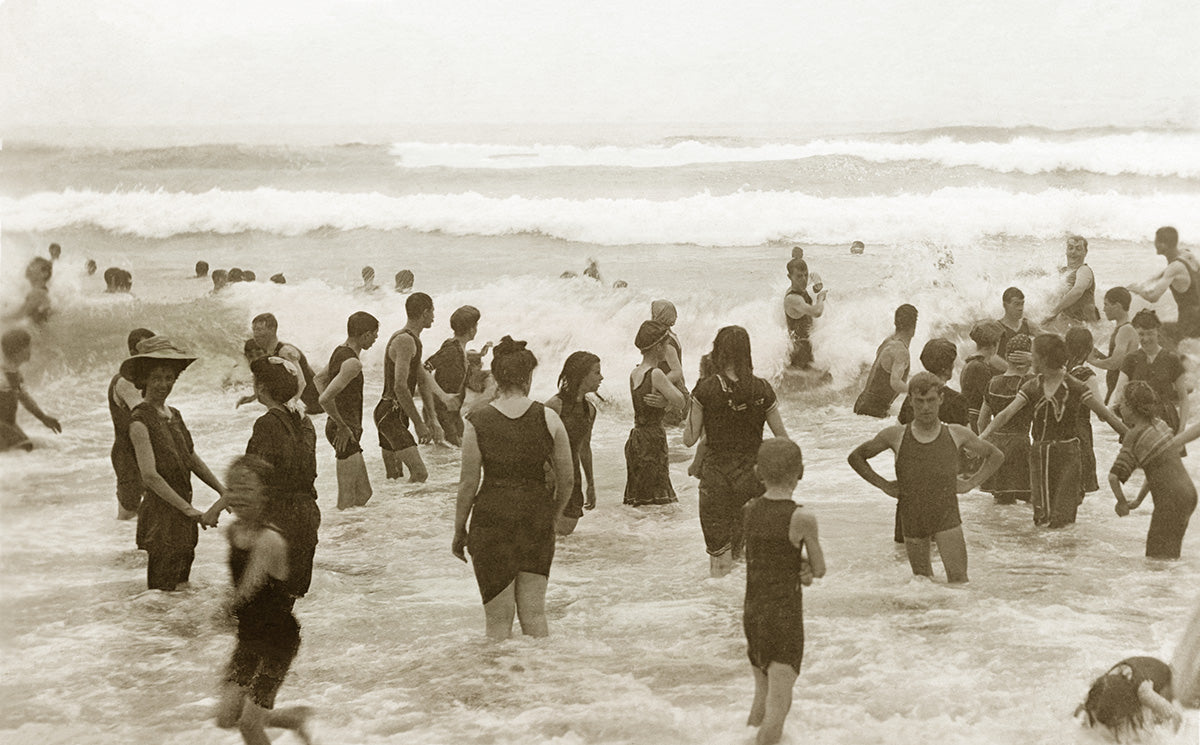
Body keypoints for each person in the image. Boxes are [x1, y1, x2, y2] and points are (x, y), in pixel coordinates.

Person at [451, 337, 573, 641]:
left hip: (492, 518)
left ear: (497, 378)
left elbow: (468, 483)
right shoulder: (549, 417)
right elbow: (567, 479)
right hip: (535, 516)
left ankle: (500, 686)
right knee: (534, 614)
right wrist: (552, 515)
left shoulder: (477, 421)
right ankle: (541, 684)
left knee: (497, 623)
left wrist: (459, 529)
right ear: (527, 377)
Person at [849, 372, 1003, 583]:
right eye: (919, 401)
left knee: (959, 580)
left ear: (940, 399)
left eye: (931, 400)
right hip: (912, 518)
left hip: (946, 515)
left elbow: (995, 455)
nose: (925, 407)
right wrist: (884, 485)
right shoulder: (896, 435)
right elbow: (856, 457)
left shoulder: (956, 433)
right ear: (910, 400)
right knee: (923, 584)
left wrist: (970, 483)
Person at [215, 455, 314, 745]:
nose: (238, 496)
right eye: (233, 489)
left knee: (248, 725)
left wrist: (221, 611)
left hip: (277, 641)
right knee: (226, 717)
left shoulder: (270, 540)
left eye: (248, 490)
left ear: (265, 495)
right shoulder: (234, 532)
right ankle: (292, 719)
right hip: (250, 637)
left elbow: (248, 587)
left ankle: (267, 720)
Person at [980, 334, 1126, 528]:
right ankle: (1047, 557)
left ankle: (1061, 555)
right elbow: (1005, 415)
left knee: (1063, 518)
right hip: (1039, 456)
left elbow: (1106, 415)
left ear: (1043, 358)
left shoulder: (1075, 387)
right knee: (1041, 519)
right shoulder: (1032, 386)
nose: (1030, 359)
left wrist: (1133, 437)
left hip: (1068, 456)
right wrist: (981, 438)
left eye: (1033, 355)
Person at [684, 326, 788, 577]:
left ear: (718, 352)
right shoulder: (762, 389)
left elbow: (689, 439)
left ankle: (719, 612)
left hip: (716, 479)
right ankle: (741, 610)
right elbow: (783, 440)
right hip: (752, 479)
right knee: (746, 557)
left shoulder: (705, 389)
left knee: (720, 558)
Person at [124, 336, 224, 590]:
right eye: (157, 377)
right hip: (161, 517)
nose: (163, 384)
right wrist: (188, 510)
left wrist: (222, 490)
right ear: (143, 379)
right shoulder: (139, 420)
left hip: (182, 515)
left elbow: (191, 458)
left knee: (180, 591)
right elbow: (150, 476)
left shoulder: (175, 415)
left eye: (169, 378)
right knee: (160, 593)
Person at [742, 438, 825, 745]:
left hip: (753, 613)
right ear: (800, 472)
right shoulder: (802, 517)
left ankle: (746, 738)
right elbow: (818, 569)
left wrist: (796, 562)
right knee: (780, 705)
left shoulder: (749, 509)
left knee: (761, 697)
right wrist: (804, 564)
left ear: (756, 472)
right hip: (784, 617)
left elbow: (768, 552)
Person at [245, 356, 321, 597]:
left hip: (279, 518)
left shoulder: (265, 424)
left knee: (267, 598)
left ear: (262, 388)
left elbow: (252, 475)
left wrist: (218, 507)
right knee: (292, 596)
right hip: (307, 515)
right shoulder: (305, 421)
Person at [375, 292, 457, 481]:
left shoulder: (413, 340)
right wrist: (419, 424)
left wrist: (435, 417)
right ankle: (409, 510)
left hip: (393, 414)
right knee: (420, 473)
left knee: (395, 478)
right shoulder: (405, 340)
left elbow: (423, 379)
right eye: (433, 312)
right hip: (390, 415)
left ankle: (391, 511)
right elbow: (400, 387)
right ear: (425, 312)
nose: (434, 318)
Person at [1109, 382, 1196, 559]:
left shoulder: (1133, 436)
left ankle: (1160, 587)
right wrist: (1139, 501)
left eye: (1123, 404)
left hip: (1170, 500)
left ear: (1132, 408)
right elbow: (1156, 469)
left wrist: (1122, 502)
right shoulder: (1160, 425)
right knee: (1169, 555)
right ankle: (1172, 586)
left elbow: (1113, 477)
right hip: (1188, 495)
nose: (1120, 408)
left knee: (1156, 558)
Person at [315, 312, 378, 510]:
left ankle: (352, 537)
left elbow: (319, 379)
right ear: (365, 335)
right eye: (375, 335)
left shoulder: (339, 351)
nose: (376, 339)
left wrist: (336, 415)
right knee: (346, 500)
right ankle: (341, 535)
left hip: (343, 428)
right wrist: (340, 424)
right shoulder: (353, 363)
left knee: (364, 493)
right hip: (344, 431)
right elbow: (324, 398)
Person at [624, 321, 687, 507]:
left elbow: (643, 405)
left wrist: (663, 403)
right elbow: (681, 401)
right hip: (653, 439)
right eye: (666, 345)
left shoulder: (635, 373)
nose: (667, 349)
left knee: (640, 497)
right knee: (658, 500)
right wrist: (667, 403)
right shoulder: (656, 374)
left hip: (637, 438)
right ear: (658, 347)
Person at [546, 352, 602, 535]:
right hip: (548, 478)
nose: (601, 377)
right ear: (582, 375)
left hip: (573, 477)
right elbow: (533, 443)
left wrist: (591, 484)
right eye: (596, 372)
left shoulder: (590, 410)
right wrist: (547, 472)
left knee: (564, 536)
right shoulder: (554, 406)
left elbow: (584, 448)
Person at [977, 333, 1035, 504]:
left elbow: (982, 421)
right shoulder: (1029, 382)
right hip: (1020, 447)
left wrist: (986, 445)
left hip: (996, 447)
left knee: (1002, 504)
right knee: (1030, 502)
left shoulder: (993, 382)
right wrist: (1033, 362)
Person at [1112, 310, 1188, 439]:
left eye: (1150, 333)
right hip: (1137, 421)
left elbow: (1183, 399)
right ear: (1136, 333)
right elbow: (1120, 392)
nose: (1146, 338)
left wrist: (1181, 432)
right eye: (1141, 334)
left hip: (1167, 423)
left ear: (1158, 332)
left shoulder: (1172, 359)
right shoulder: (1130, 359)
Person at [236, 313, 323, 415]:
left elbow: (302, 382)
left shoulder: (285, 351)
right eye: (254, 330)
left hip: (322, 404)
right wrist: (253, 397)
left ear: (272, 329)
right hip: (309, 407)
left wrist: (294, 401)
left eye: (259, 330)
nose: (256, 334)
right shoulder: (268, 353)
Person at [109, 328, 155, 521]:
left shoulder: (143, 379)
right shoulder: (125, 382)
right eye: (147, 349)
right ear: (133, 353)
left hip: (140, 449)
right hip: (127, 453)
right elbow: (145, 413)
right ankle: (123, 549)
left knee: (150, 507)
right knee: (128, 513)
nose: (153, 355)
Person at [424, 305, 484, 447]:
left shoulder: (457, 347)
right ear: (471, 329)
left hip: (452, 414)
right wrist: (443, 396)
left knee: (457, 455)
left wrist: (479, 354)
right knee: (453, 454)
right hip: (441, 414)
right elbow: (424, 368)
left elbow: (461, 356)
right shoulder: (451, 349)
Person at [1077, 656, 1182, 738]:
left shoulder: (1144, 686)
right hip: (1120, 686)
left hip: (1162, 679)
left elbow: (1171, 713)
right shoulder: (1097, 689)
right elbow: (1145, 694)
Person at [1129, 226, 1200, 344]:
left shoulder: (1174, 268)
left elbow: (1153, 297)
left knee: (1158, 333)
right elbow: (1170, 270)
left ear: (1163, 245)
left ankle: (1179, 361)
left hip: (1190, 320)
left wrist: (1138, 290)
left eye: (1156, 241)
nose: (1154, 244)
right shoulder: (1187, 255)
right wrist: (1151, 280)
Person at [0, 329, 62, 452]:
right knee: (24, 448)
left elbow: (24, 398)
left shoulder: (13, 373)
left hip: (8, 424)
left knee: (37, 448)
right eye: (28, 347)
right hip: (3, 426)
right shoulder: (2, 376)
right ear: (18, 351)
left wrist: (43, 418)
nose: (30, 351)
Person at [853, 304, 917, 418]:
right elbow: (895, 383)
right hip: (874, 411)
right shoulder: (901, 351)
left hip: (862, 404)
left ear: (896, 323)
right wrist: (917, 390)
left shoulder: (888, 341)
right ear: (914, 328)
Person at [897, 339, 969, 427]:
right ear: (945, 369)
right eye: (952, 363)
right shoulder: (957, 400)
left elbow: (898, 429)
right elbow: (966, 437)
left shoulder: (913, 397)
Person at [1066, 327, 1103, 494]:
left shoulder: (1057, 370)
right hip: (1079, 432)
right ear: (1088, 349)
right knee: (1078, 490)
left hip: (1056, 431)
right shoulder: (1087, 375)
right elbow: (1101, 414)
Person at [1090, 286, 1139, 404]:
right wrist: (1099, 355)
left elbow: (1115, 364)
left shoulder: (1125, 330)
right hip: (1118, 385)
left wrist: (1091, 360)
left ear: (1117, 306)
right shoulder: (1124, 328)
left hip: (1121, 388)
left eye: (1106, 304)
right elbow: (1121, 361)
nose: (1104, 309)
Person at [1045, 235, 1100, 327]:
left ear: (1085, 252)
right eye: (1070, 248)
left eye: (1078, 249)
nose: (1073, 252)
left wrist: (1053, 313)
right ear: (1066, 251)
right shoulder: (1062, 271)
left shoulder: (1084, 270)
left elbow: (1077, 291)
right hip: (1068, 325)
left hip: (1086, 327)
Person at [783, 258, 827, 370]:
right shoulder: (793, 298)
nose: (803, 280)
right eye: (799, 276)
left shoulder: (800, 285)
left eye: (805, 275)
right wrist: (820, 298)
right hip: (800, 349)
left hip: (807, 344)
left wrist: (818, 283)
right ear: (790, 277)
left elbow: (814, 275)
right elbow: (817, 312)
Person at [650, 299, 688, 425]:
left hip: (671, 393)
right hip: (676, 390)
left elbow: (677, 371)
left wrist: (657, 383)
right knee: (673, 436)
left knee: (667, 430)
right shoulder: (671, 336)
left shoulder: (666, 342)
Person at [960, 322, 1004, 429]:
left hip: (969, 418)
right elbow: (990, 399)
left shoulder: (970, 363)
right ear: (995, 344)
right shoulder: (980, 367)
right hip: (976, 420)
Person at [996, 287, 1035, 360]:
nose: (1021, 308)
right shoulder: (997, 327)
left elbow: (1049, 340)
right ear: (1005, 305)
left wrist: (1033, 357)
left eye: (1022, 304)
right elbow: (991, 357)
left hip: (1025, 369)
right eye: (1016, 304)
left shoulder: (1027, 324)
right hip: (1004, 370)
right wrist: (1012, 370)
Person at [18, 257, 53, 325]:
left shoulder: (37, 293)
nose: (29, 268)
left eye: (33, 266)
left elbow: (20, 315)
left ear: (45, 273)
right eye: (30, 265)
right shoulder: (43, 292)